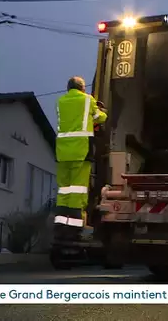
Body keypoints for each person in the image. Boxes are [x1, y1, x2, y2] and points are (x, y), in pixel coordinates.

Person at [54, 76, 108, 240]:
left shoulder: (60, 101)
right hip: (80, 151)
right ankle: (74, 230)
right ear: (82, 88)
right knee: (78, 191)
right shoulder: (88, 100)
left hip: (63, 152)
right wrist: (100, 110)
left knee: (64, 190)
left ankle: (61, 227)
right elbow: (100, 118)